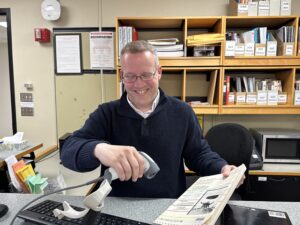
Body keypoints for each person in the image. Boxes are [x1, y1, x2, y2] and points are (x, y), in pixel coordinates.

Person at [61, 40, 242, 198]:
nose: (138, 84)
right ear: (121, 76)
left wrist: (222, 168)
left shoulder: (183, 112)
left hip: (168, 205)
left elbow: (199, 154)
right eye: (130, 76)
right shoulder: (106, 113)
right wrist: (98, 149)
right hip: (117, 205)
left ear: (159, 72)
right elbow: (68, 150)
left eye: (146, 75)